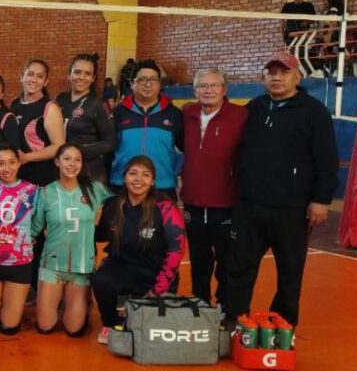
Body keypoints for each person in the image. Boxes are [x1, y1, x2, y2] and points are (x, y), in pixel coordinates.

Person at [226, 51, 338, 327]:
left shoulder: (314, 113)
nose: (277, 77)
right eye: (271, 72)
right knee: (239, 267)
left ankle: (284, 322)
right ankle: (234, 318)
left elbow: (327, 159)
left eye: (283, 72)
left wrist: (321, 199)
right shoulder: (254, 108)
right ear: (263, 77)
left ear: (297, 77)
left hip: (292, 208)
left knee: (290, 270)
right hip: (250, 204)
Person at [91, 155, 185, 344]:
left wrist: (158, 290)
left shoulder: (166, 208)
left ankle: (144, 303)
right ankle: (110, 324)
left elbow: (177, 251)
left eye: (145, 175)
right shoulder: (113, 205)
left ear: (153, 181)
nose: (138, 180)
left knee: (150, 335)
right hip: (122, 269)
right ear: (124, 177)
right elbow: (97, 235)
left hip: (154, 275)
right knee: (100, 279)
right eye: (132, 173)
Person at [180, 68, 247, 309]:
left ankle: (224, 305)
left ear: (224, 89)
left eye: (213, 85)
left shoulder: (240, 116)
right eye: (202, 86)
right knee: (199, 258)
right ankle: (200, 301)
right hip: (193, 201)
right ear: (195, 90)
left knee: (227, 260)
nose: (208, 90)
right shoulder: (187, 114)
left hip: (226, 203)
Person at [37, 143, 111, 336]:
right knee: (45, 325)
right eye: (67, 159)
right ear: (57, 161)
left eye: (77, 159)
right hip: (51, 267)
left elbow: (121, 201)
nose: (72, 164)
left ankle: (76, 303)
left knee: (73, 328)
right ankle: (59, 299)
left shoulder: (95, 189)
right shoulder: (45, 192)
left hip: (82, 268)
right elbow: (34, 228)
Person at [0, 143, 44, 335]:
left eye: (12, 162)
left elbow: (38, 221)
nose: (7, 168)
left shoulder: (33, 190)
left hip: (20, 263)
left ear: (19, 163)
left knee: (9, 327)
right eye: (1, 163)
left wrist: (29, 237)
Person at [110, 59, 182, 201]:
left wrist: (172, 172)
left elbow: (186, 149)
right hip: (122, 187)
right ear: (132, 84)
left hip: (162, 188)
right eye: (142, 79)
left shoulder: (174, 114)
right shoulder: (118, 113)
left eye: (153, 80)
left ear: (159, 84)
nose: (148, 84)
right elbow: (109, 151)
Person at [52, 53, 116, 184]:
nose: (81, 77)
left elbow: (110, 142)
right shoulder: (61, 99)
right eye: (77, 72)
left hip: (89, 174)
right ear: (69, 74)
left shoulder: (98, 104)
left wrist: (79, 151)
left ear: (93, 78)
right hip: (62, 171)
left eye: (87, 74)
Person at [10, 58, 64, 188]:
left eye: (40, 76)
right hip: (17, 174)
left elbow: (58, 146)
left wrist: (27, 157)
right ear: (22, 77)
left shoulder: (50, 107)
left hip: (41, 177)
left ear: (45, 82)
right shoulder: (15, 104)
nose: (33, 80)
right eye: (30, 74)